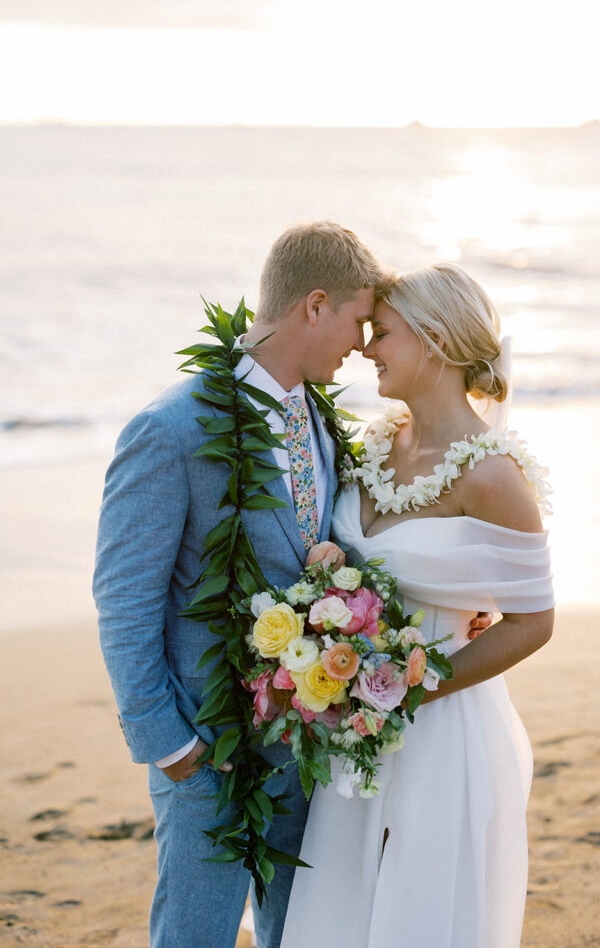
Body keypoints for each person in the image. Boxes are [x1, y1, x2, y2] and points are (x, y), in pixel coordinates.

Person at [93, 224, 492, 948]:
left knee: (300, 933)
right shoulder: (171, 430)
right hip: (209, 749)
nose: (362, 345)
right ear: (314, 306)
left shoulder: (321, 419)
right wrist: (170, 748)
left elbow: (349, 549)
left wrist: (449, 600)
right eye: (359, 320)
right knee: (194, 936)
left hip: (310, 745)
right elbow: (125, 601)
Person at [280, 264, 555, 948]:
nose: (366, 348)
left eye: (382, 333)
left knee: (419, 911)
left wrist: (412, 688)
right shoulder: (371, 446)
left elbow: (535, 622)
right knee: (340, 903)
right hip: (353, 727)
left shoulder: (493, 476)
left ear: (434, 341)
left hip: (442, 726)